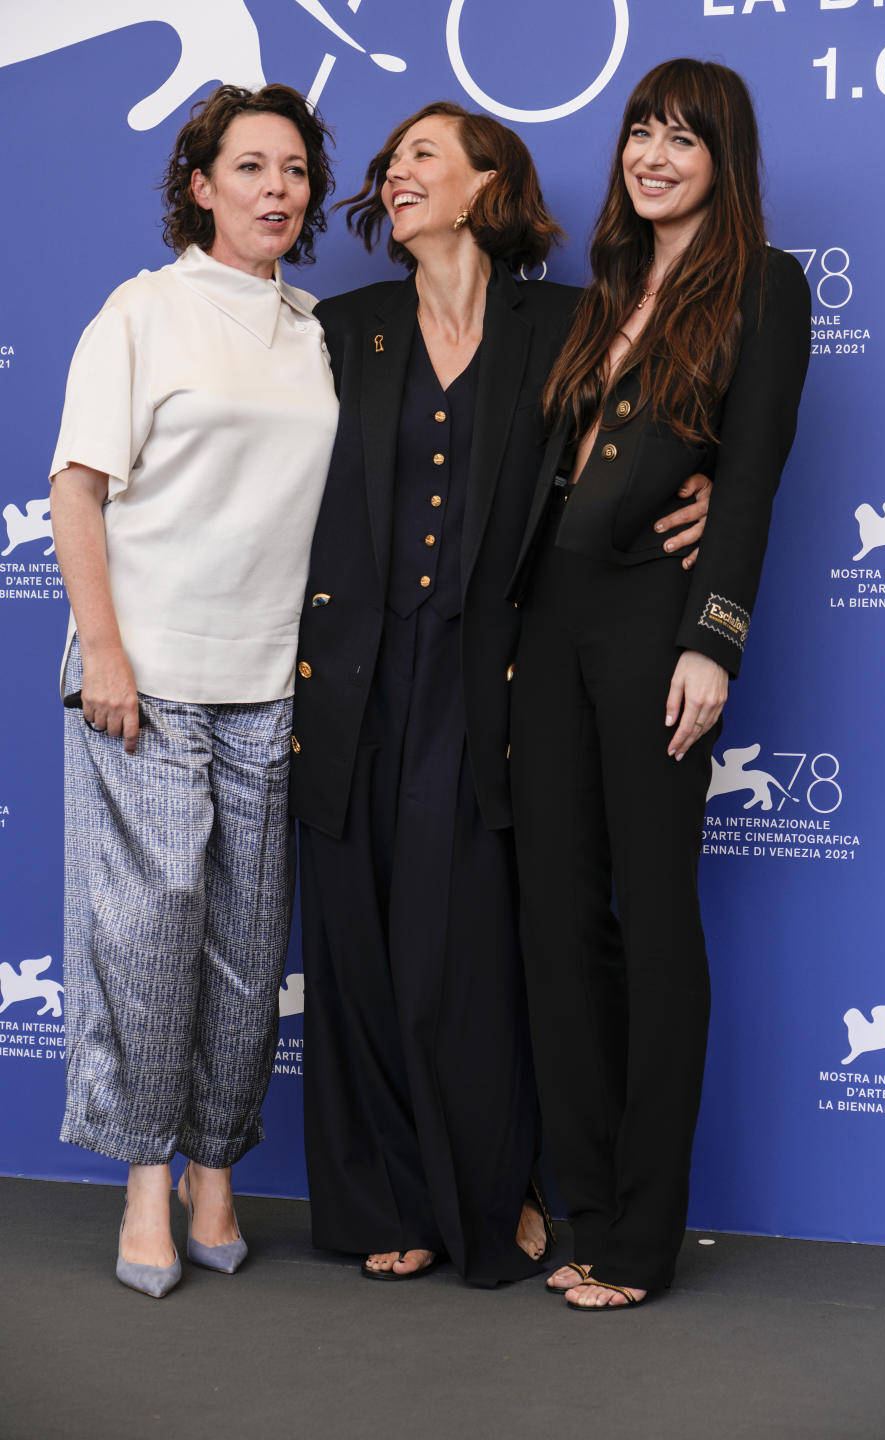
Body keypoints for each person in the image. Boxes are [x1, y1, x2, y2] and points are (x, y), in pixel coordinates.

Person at [288, 101, 711, 1286]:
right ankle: (391, 1198)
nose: (397, 173)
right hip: (354, 674)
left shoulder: (568, 324)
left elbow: (653, 438)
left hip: (495, 681)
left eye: (423, 155)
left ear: (488, 183)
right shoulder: (342, 326)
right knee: (361, 940)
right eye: (392, 163)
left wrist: (710, 491)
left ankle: (497, 1187)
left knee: (469, 945)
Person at [508, 59, 811, 1311]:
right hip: (551, 624)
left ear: (723, 160)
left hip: (654, 627)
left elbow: (750, 482)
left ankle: (642, 1239)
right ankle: (583, 1212)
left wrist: (714, 637)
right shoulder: (605, 288)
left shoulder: (766, 286)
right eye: (642, 130)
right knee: (558, 924)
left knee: (656, 920)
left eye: (684, 138)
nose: (655, 154)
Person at [49, 84, 338, 1297]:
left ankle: (218, 1169)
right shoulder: (144, 312)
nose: (277, 187)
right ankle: (143, 1187)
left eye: (296, 170)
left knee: (246, 942)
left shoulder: (318, 329)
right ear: (202, 186)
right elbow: (76, 487)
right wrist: (102, 648)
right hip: (149, 672)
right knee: (151, 937)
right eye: (251, 166)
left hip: (272, 680)